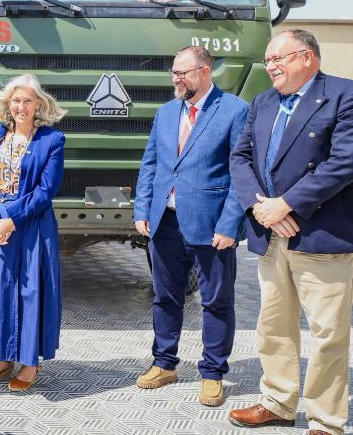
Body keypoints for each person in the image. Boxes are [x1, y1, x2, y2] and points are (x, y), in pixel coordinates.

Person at [228, 29, 353, 435]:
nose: (270, 66)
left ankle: (326, 419)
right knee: (273, 325)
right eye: (267, 60)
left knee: (327, 333)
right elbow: (240, 157)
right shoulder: (263, 102)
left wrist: (288, 203)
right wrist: (261, 207)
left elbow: (344, 161)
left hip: (321, 233)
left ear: (307, 57)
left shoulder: (343, 95)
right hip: (271, 232)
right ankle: (278, 402)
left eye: (278, 58)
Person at [132, 46, 249, 407]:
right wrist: (142, 208)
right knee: (165, 297)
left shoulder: (234, 111)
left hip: (211, 227)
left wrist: (230, 224)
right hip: (164, 222)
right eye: (173, 72)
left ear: (205, 71)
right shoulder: (167, 112)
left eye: (182, 73)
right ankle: (164, 363)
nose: (176, 79)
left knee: (216, 302)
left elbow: (240, 173)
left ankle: (212, 373)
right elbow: (151, 163)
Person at [0, 73, 66, 391]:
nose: (21, 106)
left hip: (32, 227)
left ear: (38, 105)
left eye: (28, 101)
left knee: (30, 291)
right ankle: (2, 357)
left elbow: (45, 191)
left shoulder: (52, 140)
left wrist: (12, 219)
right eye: (16, 100)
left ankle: (30, 362)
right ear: (8, 104)